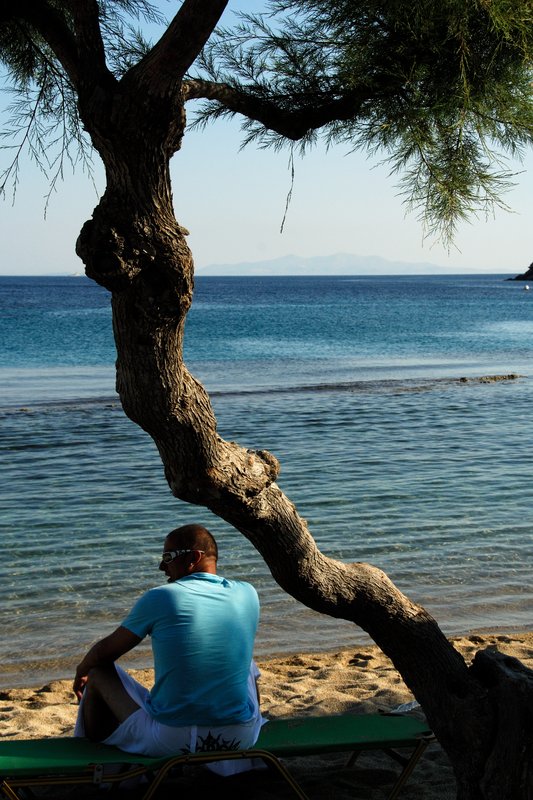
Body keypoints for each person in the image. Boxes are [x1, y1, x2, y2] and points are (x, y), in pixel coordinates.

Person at [73, 524, 263, 771]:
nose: (162, 567)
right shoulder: (248, 593)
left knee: (98, 671)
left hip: (171, 740)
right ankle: (242, 761)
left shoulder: (161, 597)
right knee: (247, 663)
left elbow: (103, 653)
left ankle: (102, 760)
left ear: (194, 558)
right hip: (240, 738)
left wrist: (81, 670)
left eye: (168, 557)